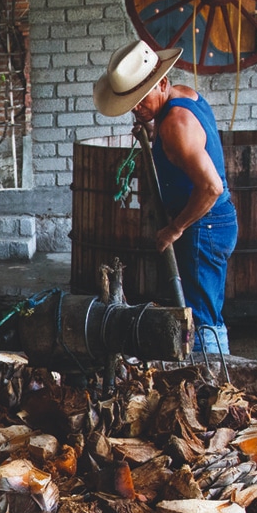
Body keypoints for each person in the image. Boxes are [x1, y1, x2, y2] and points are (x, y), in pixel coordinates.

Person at [93, 40, 238, 355]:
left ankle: (213, 377)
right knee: (200, 308)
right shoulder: (183, 95)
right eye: (131, 102)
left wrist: (176, 228)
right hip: (213, 221)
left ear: (162, 82)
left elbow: (211, 187)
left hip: (205, 226)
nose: (135, 108)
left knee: (201, 317)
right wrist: (151, 124)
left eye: (140, 100)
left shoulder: (175, 124)